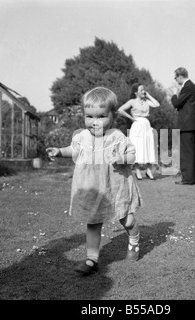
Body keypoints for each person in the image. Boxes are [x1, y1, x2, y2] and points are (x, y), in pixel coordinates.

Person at [46, 87, 142, 276]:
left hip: (115, 187)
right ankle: (92, 259)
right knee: (93, 222)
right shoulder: (81, 136)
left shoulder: (117, 137)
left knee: (127, 220)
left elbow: (133, 156)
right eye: (89, 116)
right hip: (93, 189)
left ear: (112, 116)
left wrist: (121, 158)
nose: (94, 122)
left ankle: (134, 242)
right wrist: (59, 151)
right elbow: (73, 150)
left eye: (101, 116)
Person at [118, 84, 160, 180]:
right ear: (136, 92)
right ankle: (137, 171)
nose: (143, 91)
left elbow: (157, 104)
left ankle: (149, 170)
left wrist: (148, 95)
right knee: (137, 147)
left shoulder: (146, 101)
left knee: (148, 146)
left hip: (146, 124)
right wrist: (131, 118)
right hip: (137, 124)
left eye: (144, 90)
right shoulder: (132, 101)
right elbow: (120, 110)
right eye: (141, 90)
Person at [171, 67, 195, 185]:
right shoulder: (192, 86)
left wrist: (174, 94)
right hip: (191, 124)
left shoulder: (187, 87)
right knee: (189, 152)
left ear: (180, 76)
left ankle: (188, 179)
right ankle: (190, 178)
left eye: (175, 77)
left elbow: (176, 103)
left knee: (185, 152)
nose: (175, 80)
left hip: (187, 125)